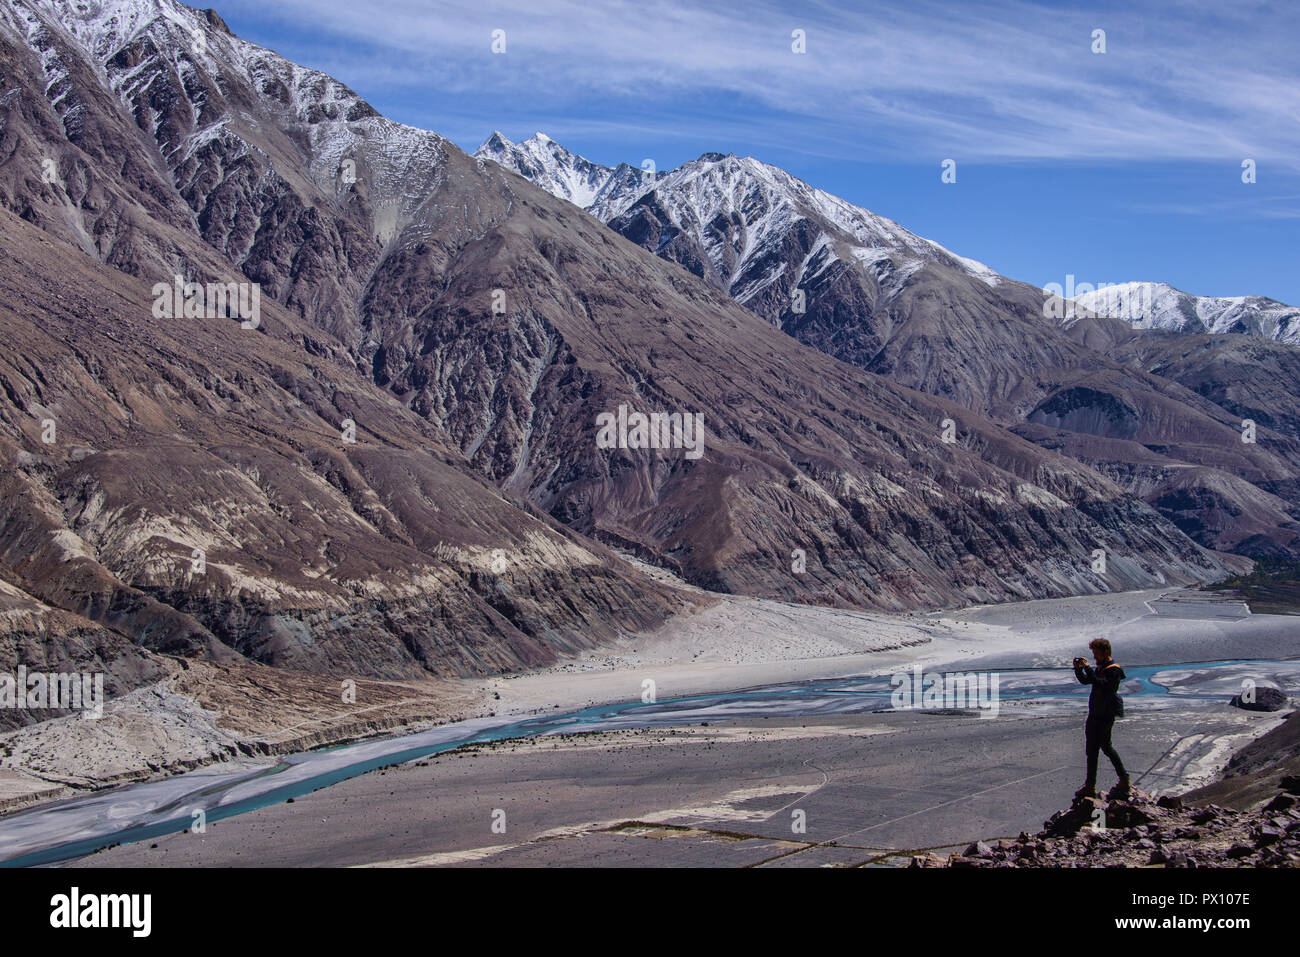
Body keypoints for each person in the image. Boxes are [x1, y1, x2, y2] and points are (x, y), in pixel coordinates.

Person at [1072, 638, 1130, 801]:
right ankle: (1090, 785)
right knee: (1091, 750)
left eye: (1096, 654)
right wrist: (1078, 670)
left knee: (1106, 747)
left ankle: (1124, 779)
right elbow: (1086, 681)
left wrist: (1088, 668)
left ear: (1105, 652)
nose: (1095, 657)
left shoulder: (1113, 670)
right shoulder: (1101, 668)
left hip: (1105, 715)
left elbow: (1102, 685)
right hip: (1095, 713)